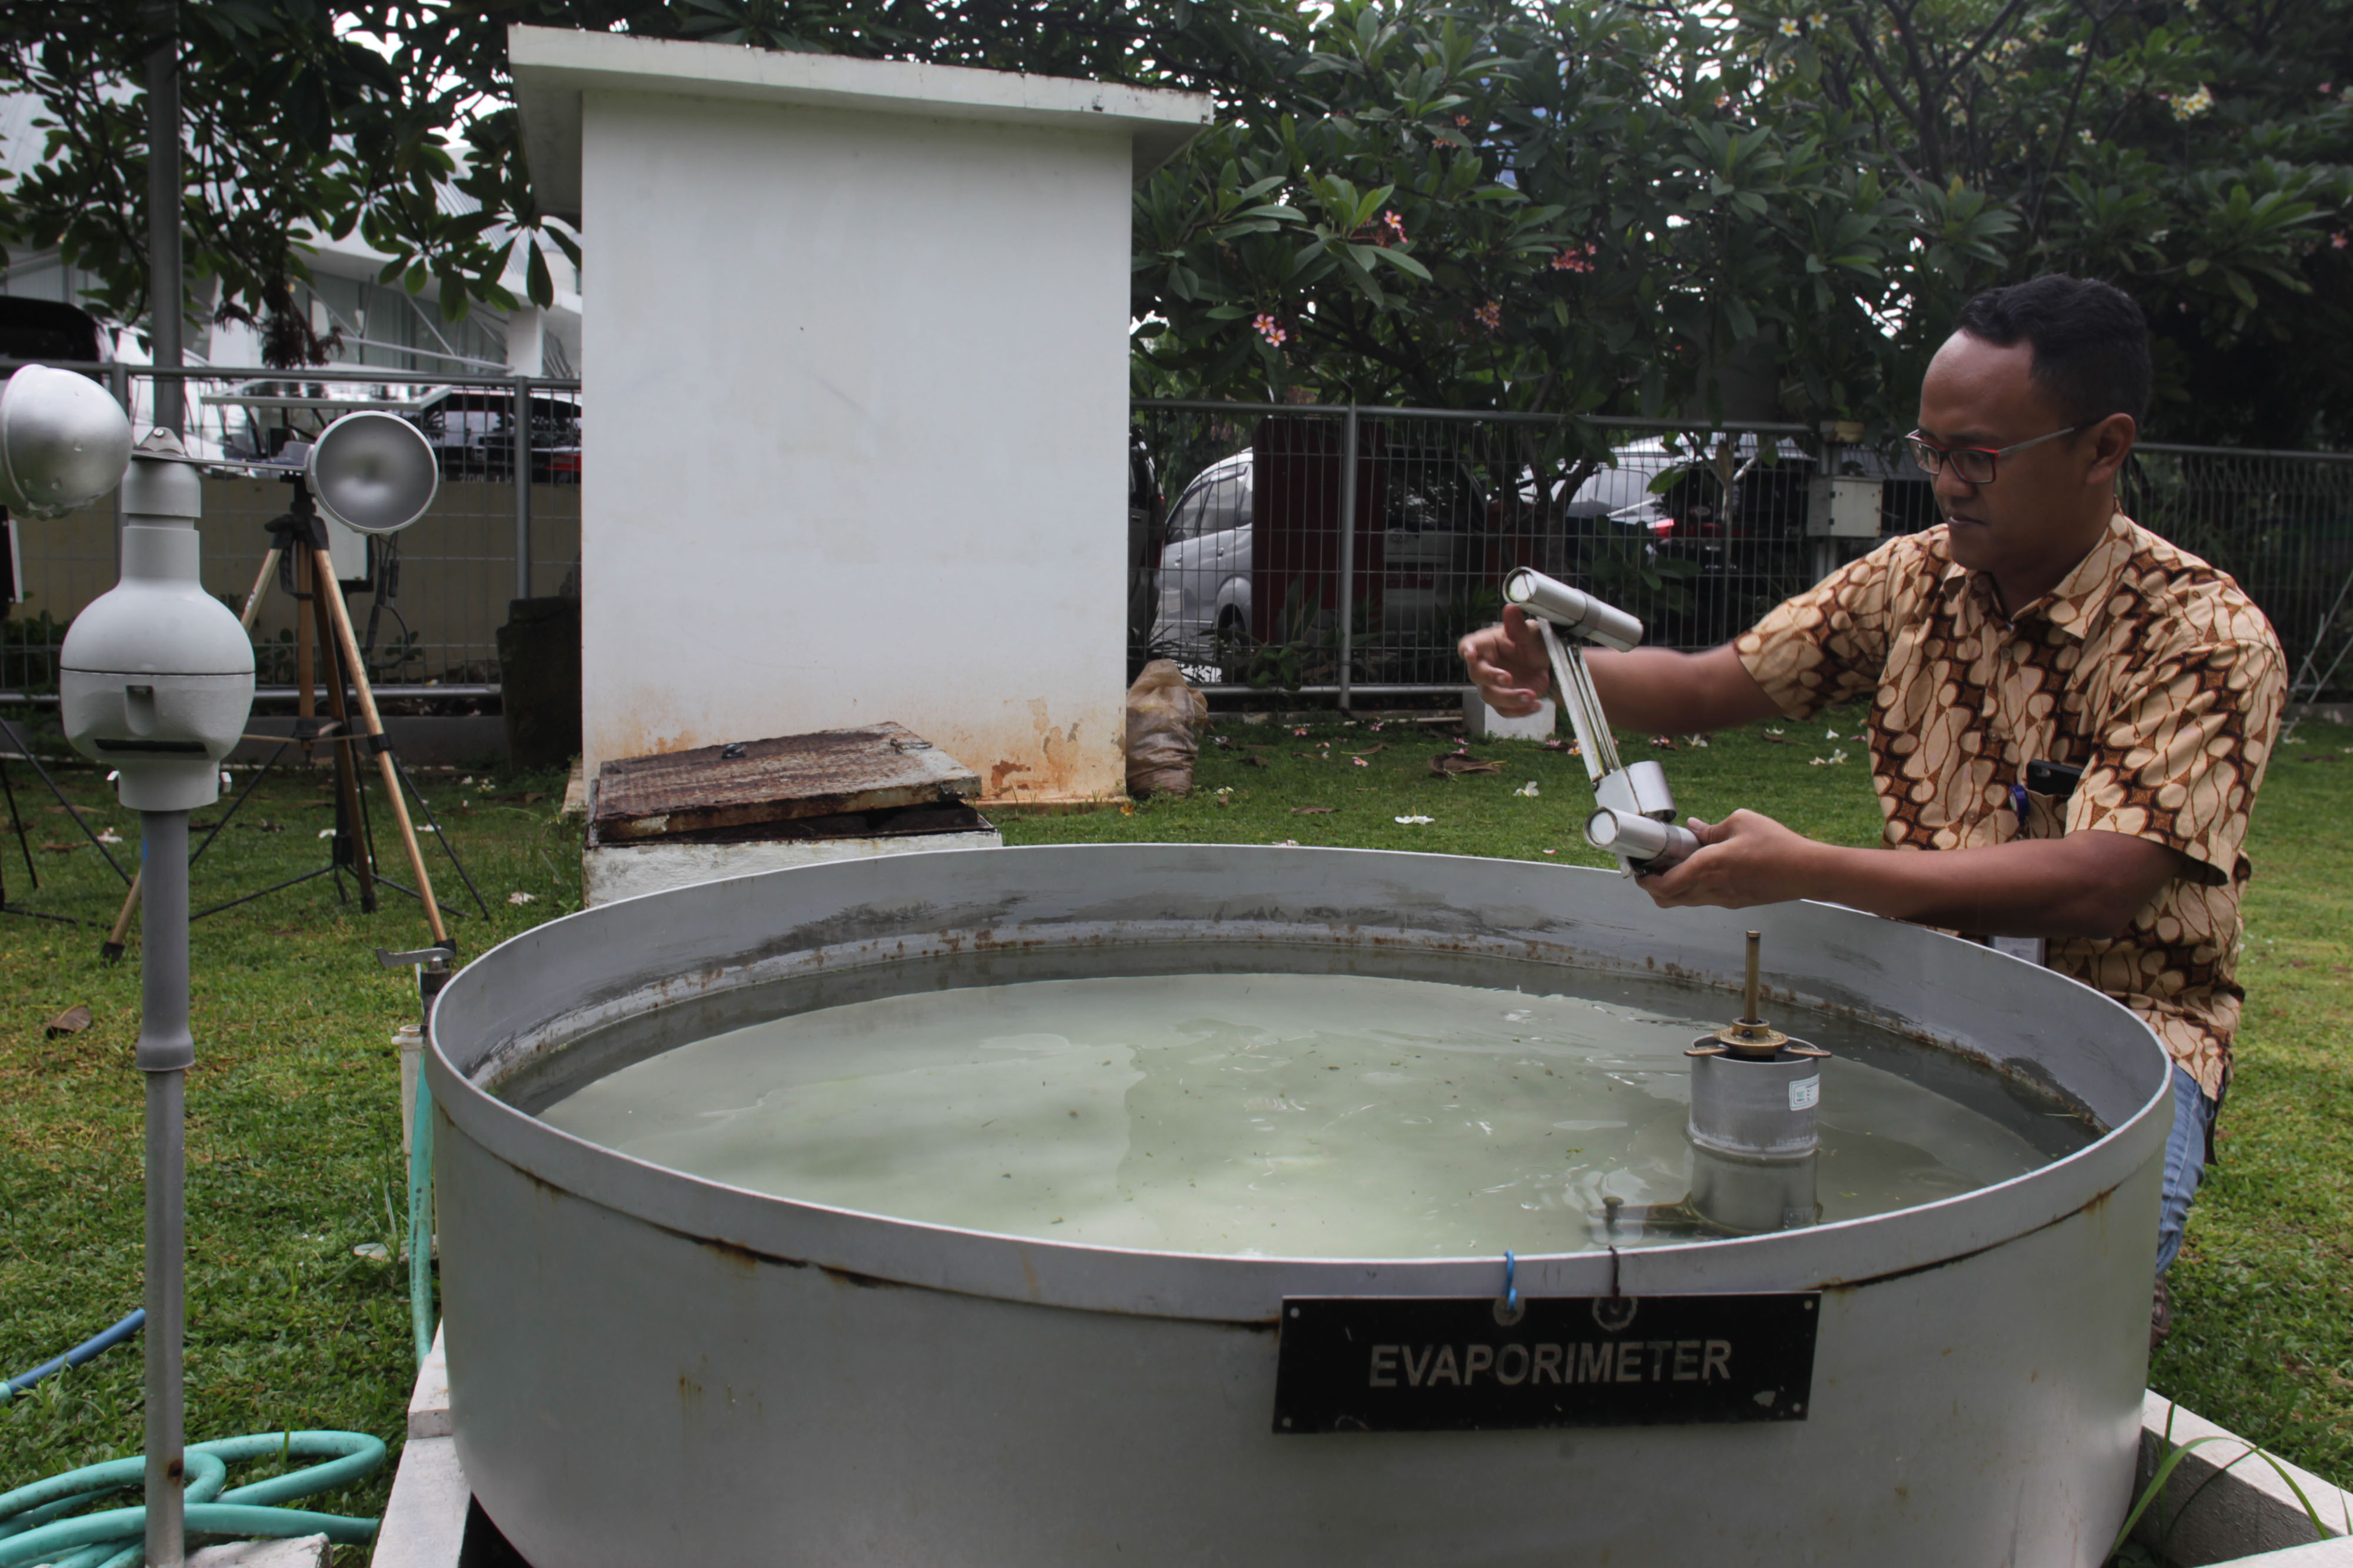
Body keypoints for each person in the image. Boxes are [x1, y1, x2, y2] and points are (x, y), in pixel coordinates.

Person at [1459, 274, 2284, 1345]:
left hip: (2132, 1030)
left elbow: (2101, 880)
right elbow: (1719, 683)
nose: (1944, 482)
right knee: (1796, 1226)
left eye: (1978, 455)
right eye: (1929, 450)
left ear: (2103, 444)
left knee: (2061, 1301)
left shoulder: (2205, 636)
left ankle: (2122, 1261)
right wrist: (1557, 671)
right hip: (1928, 986)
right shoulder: (1912, 581)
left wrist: (1809, 868)